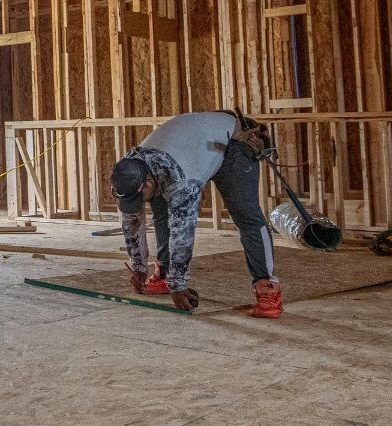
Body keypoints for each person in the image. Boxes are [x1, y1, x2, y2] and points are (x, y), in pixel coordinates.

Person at [108, 111, 281, 318]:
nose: (136, 204)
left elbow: (183, 232)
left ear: (148, 181)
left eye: (138, 196)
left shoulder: (182, 180)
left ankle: (267, 288)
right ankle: (164, 273)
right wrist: (138, 267)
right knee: (159, 207)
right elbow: (132, 222)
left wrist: (178, 285)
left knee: (246, 214)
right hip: (195, 145)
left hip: (231, 143)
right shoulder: (130, 170)